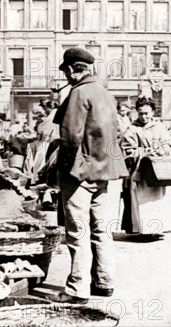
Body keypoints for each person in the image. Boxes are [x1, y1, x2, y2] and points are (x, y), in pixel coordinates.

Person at [49, 47, 128, 304]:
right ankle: (105, 283)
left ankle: (77, 289)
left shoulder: (79, 93)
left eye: (66, 71)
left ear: (73, 69)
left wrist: (61, 170)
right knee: (101, 230)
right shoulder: (106, 94)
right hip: (104, 172)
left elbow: (70, 137)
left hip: (79, 174)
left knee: (77, 232)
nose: (66, 77)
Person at [121, 96, 171, 235]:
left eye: (147, 113)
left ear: (152, 113)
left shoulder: (159, 127)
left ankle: (157, 228)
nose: (144, 117)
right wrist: (142, 152)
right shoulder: (132, 129)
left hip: (157, 170)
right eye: (140, 113)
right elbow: (126, 149)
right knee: (142, 200)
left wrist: (160, 150)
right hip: (140, 171)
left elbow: (168, 144)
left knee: (157, 199)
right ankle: (143, 229)